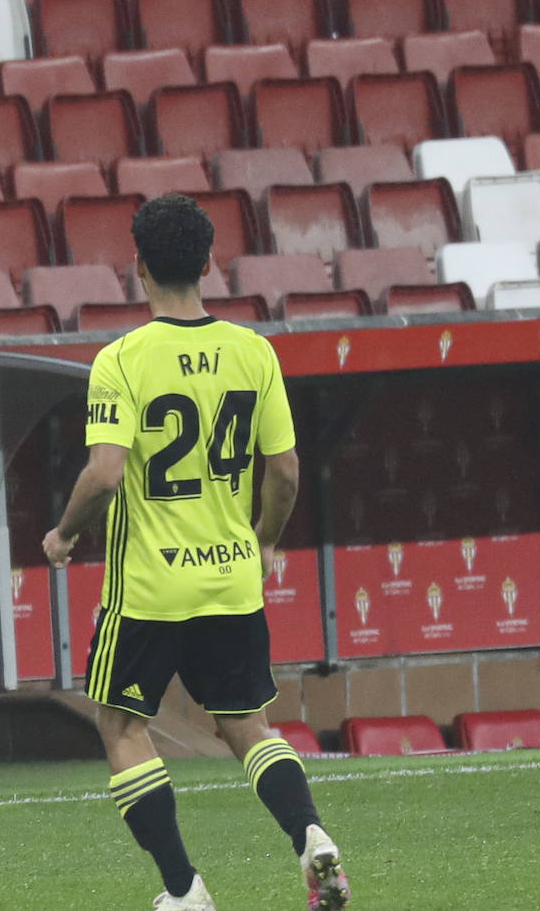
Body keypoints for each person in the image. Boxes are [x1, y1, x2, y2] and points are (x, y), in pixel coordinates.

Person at [42, 194, 349, 910]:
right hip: (231, 581)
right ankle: (310, 835)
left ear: (138, 267)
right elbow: (286, 471)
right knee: (248, 727)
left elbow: (106, 472)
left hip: (150, 587)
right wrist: (265, 539)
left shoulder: (121, 359)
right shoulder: (253, 353)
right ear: (209, 263)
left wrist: (64, 533)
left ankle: (184, 891)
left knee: (121, 725)